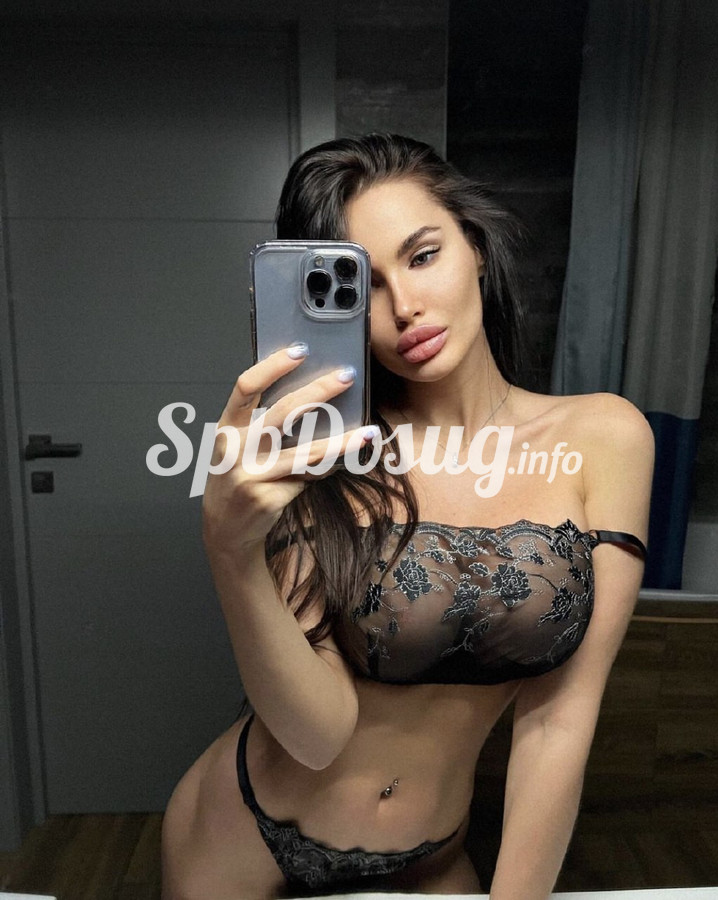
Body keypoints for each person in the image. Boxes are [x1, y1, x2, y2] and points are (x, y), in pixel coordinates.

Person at [160, 133, 653, 899]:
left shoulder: (604, 437)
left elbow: (558, 721)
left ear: (474, 247)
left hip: (433, 854)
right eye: (366, 286)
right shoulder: (322, 453)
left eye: (422, 256)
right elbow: (316, 735)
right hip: (242, 834)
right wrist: (229, 551)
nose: (404, 308)